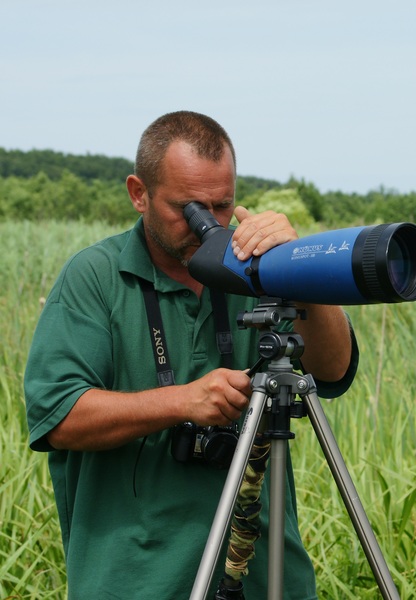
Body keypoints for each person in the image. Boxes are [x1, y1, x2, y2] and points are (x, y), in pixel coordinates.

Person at [24, 111, 359, 599]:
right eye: (188, 208)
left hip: (265, 578)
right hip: (138, 579)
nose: (208, 224)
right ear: (138, 193)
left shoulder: (257, 271)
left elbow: (334, 370)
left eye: (222, 205)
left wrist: (297, 265)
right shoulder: (95, 277)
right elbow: (57, 418)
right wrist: (179, 402)